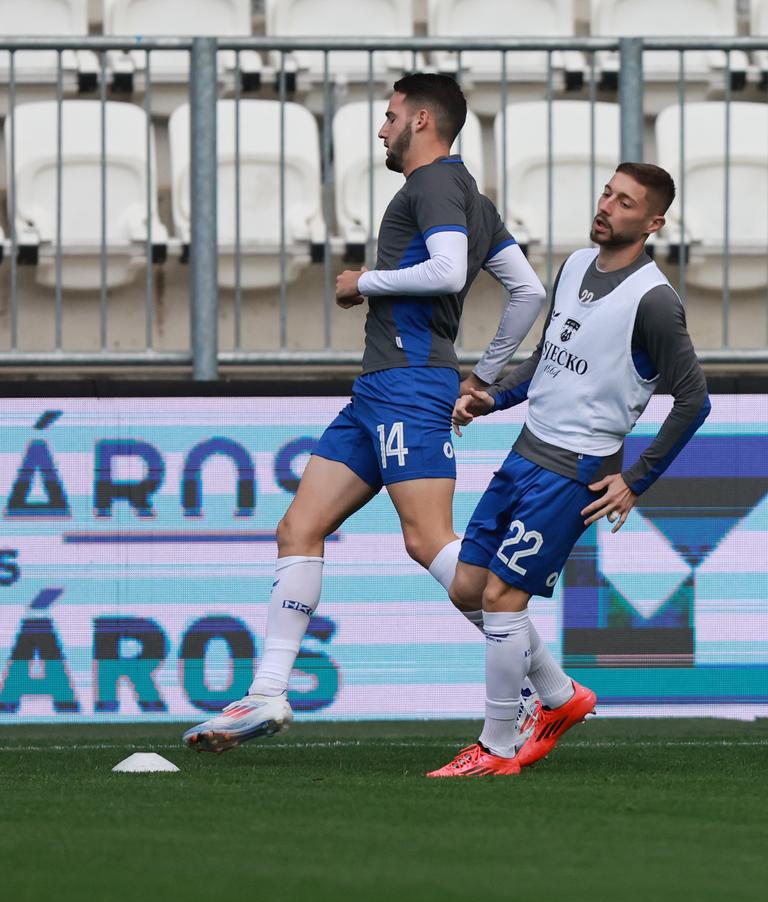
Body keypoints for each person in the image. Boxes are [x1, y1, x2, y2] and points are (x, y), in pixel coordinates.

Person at [183, 74, 546, 752]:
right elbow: (527, 291)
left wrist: (363, 284)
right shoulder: (468, 192)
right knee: (300, 524)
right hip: (380, 388)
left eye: (389, 117)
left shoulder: (432, 185)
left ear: (423, 121)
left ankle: (545, 690)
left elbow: (445, 270)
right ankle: (266, 694)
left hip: (409, 384)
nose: (381, 129)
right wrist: (486, 375)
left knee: (430, 541)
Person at [427, 162, 711, 777]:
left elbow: (694, 400)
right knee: (466, 588)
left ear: (653, 223)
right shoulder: (577, 265)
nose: (607, 205)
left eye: (626, 202)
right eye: (607, 192)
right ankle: (557, 697)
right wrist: (492, 398)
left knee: (503, 600)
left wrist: (636, 479)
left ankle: (498, 747)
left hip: (574, 470)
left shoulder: (655, 302)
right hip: (526, 450)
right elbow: (546, 359)